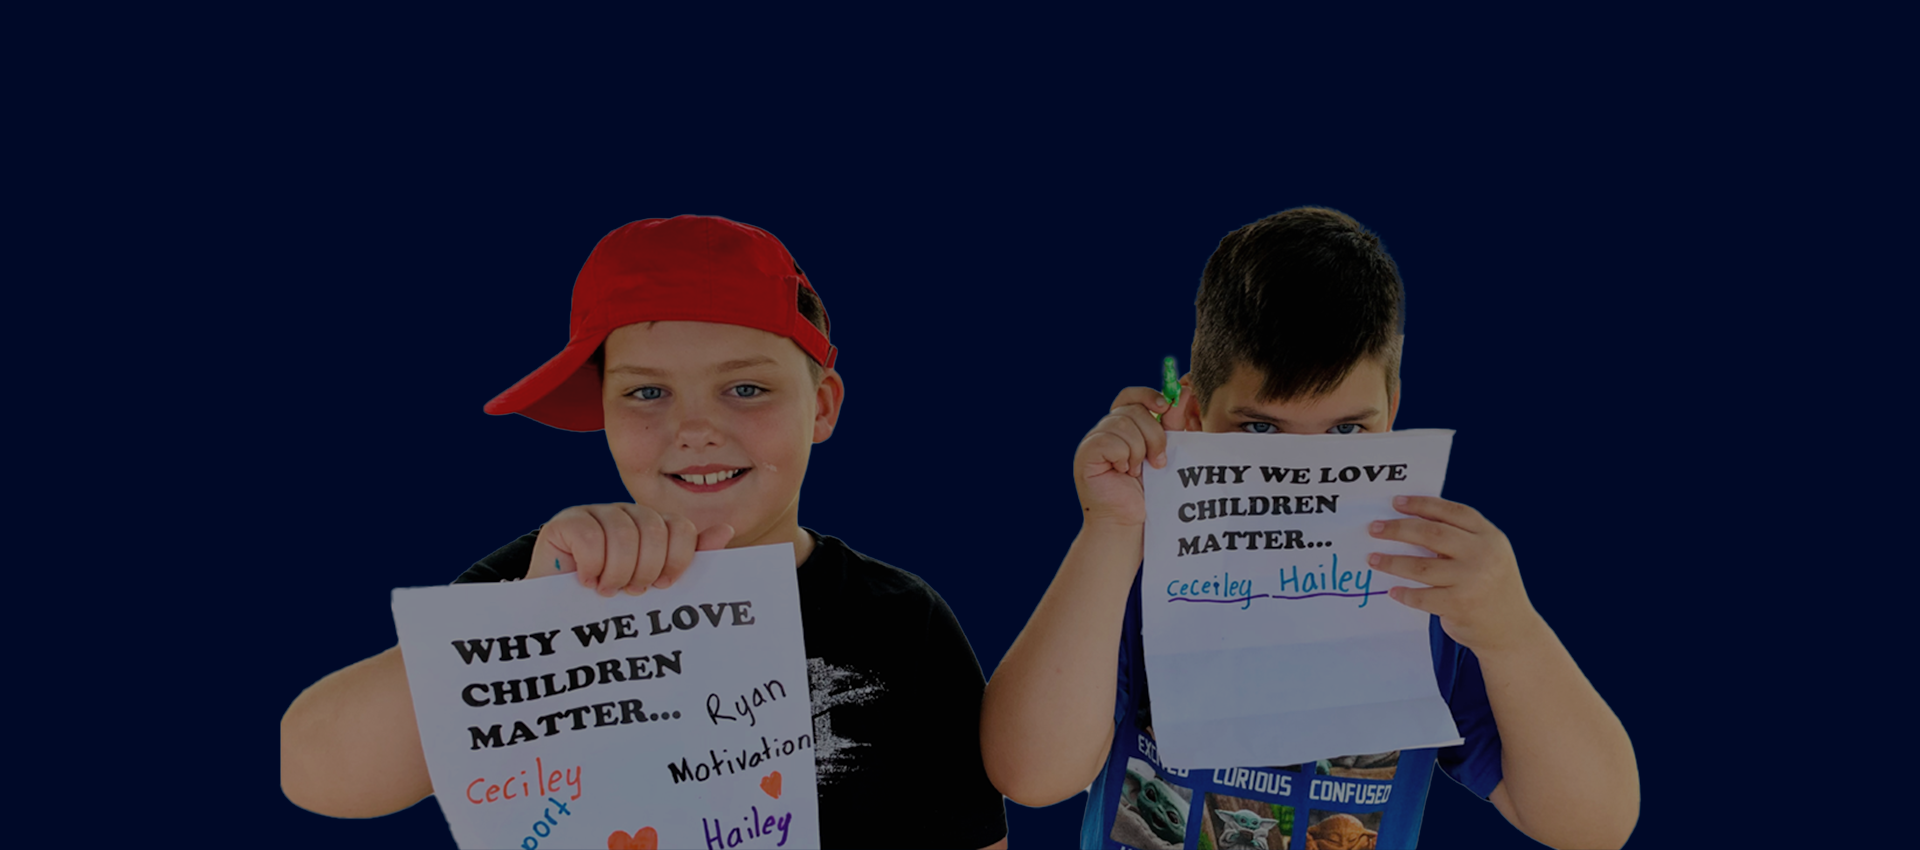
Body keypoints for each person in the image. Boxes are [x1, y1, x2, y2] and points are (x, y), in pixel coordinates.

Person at [281, 215, 1009, 850]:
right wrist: (527, 617)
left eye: (746, 387)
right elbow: (316, 771)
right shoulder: (543, 576)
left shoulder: (900, 620)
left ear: (820, 408)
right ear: (603, 407)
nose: (694, 429)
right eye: (647, 391)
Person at [979, 206, 1637, 850]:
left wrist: (1512, 633)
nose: (1306, 469)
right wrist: (1113, 529)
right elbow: (1030, 777)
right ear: (1197, 411)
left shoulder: (1429, 589)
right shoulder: (1139, 561)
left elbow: (1593, 826)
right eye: (1261, 429)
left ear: (1392, 411)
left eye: (1347, 430)